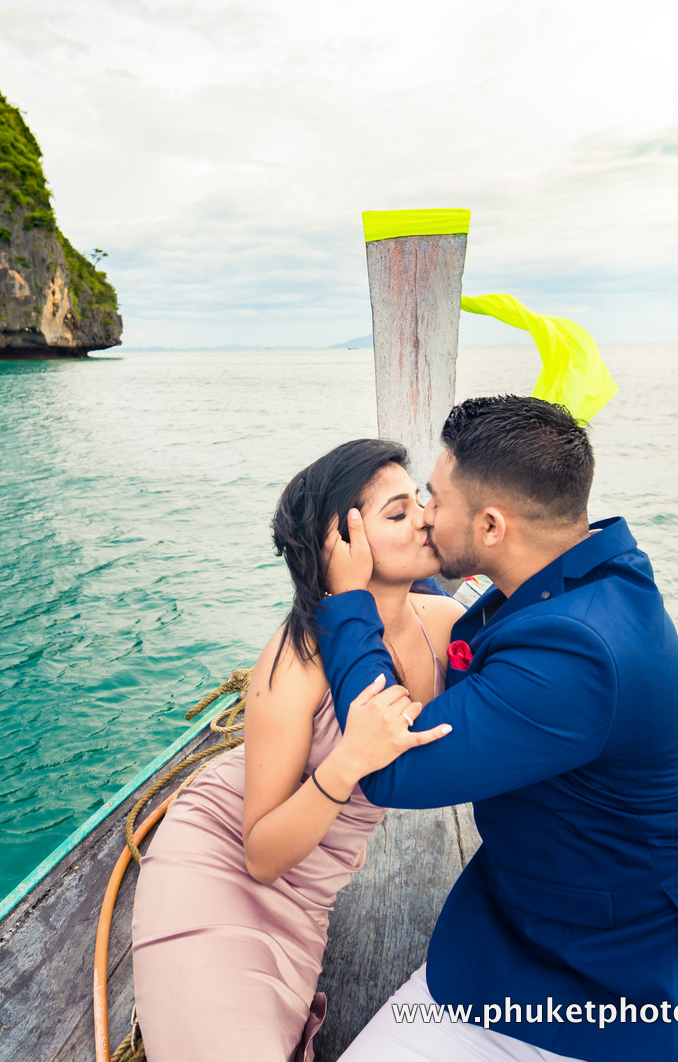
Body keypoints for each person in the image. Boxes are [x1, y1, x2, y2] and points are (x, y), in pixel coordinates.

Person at [314, 396, 678, 1062]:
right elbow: (483, 627)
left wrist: (348, 601)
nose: (425, 514)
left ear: (492, 526)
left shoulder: (579, 651)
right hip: (528, 942)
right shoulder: (577, 574)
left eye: (435, 498)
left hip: (650, 980)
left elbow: (389, 765)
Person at [130, 438, 466, 1062]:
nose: (425, 516)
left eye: (419, 499)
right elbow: (260, 855)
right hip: (227, 855)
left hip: (311, 886)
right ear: (341, 546)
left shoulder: (442, 624)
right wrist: (348, 761)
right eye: (398, 513)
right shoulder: (296, 659)